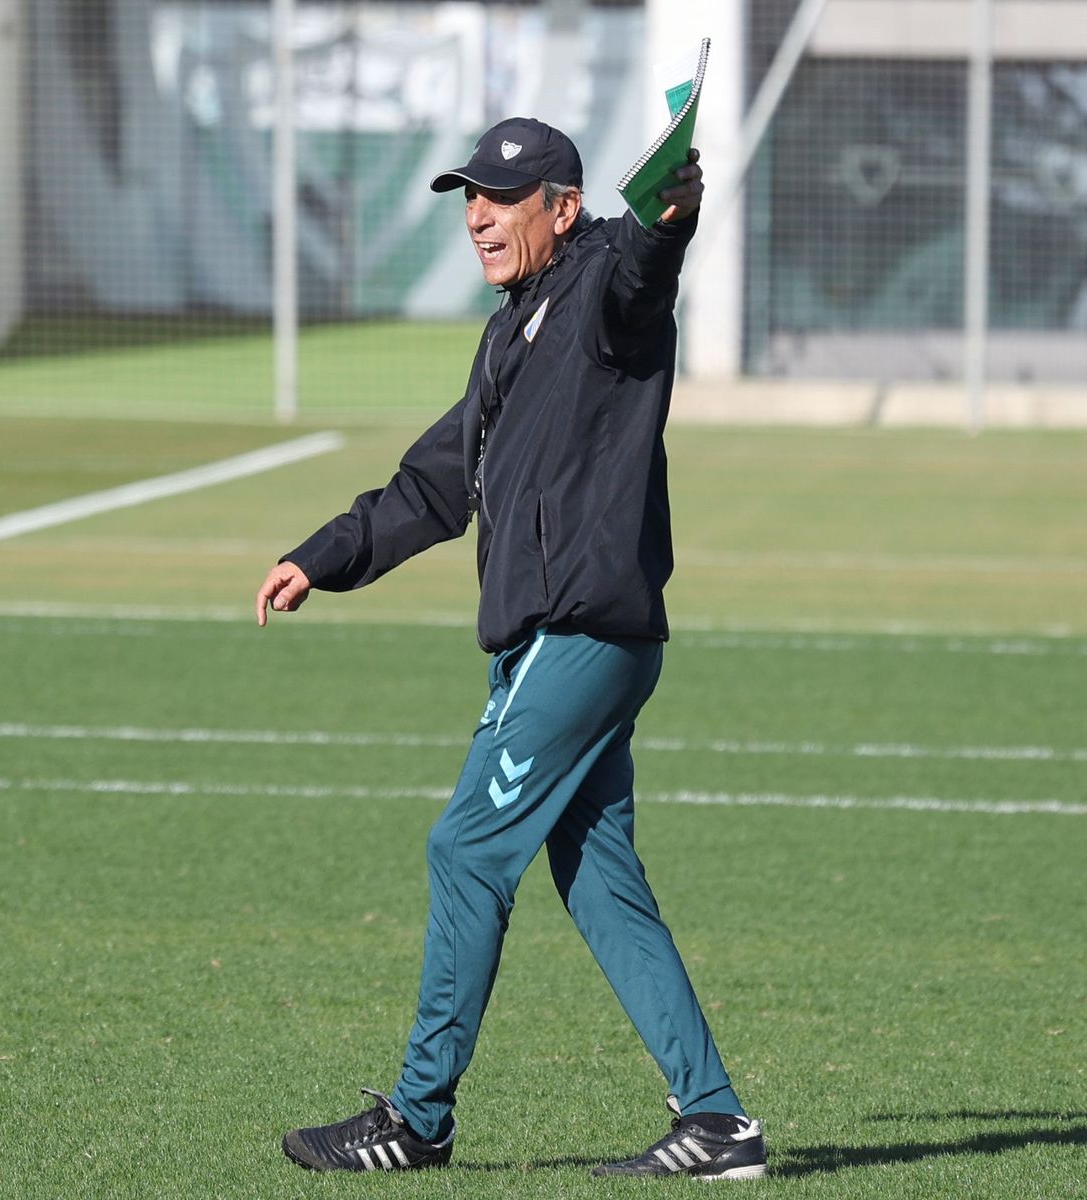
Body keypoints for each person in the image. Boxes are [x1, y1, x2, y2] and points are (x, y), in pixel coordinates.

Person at [255, 116, 766, 1181]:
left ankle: (418, 1119)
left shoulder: (600, 296)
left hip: (577, 633)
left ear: (564, 209)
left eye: (500, 199)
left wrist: (669, 217)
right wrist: (323, 557)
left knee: (467, 849)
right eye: (469, 199)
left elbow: (642, 275)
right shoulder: (510, 331)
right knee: (600, 880)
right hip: (573, 639)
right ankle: (719, 1125)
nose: (478, 218)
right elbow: (435, 485)